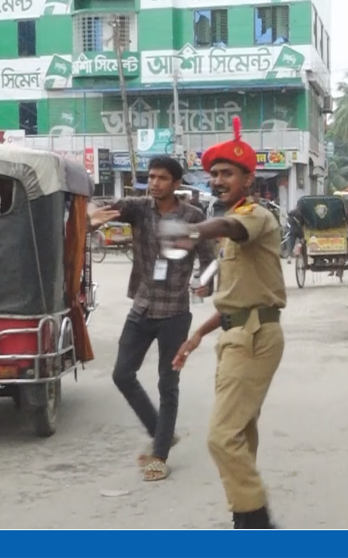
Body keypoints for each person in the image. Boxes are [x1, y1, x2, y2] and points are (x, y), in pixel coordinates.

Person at [167, 117, 287, 529]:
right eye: (214, 174)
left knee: (221, 437)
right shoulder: (231, 221)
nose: (218, 180)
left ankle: (256, 525)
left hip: (254, 337)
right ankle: (245, 519)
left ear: (247, 179)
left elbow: (229, 226)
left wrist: (193, 231)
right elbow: (239, 297)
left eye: (227, 173)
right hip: (237, 332)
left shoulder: (254, 217)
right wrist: (198, 334)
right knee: (240, 434)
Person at [87, 156, 213, 483]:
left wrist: (206, 281)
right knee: (121, 374)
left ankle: (159, 454)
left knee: (167, 384)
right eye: (151, 177)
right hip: (142, 306)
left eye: (161, 178)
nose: (154, 183)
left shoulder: (193, 216)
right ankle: (161, 432)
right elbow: (104, 208)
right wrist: (91, 218)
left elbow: (208, 258)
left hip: (175, 312)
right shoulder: (138, 208)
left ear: (176, 183)